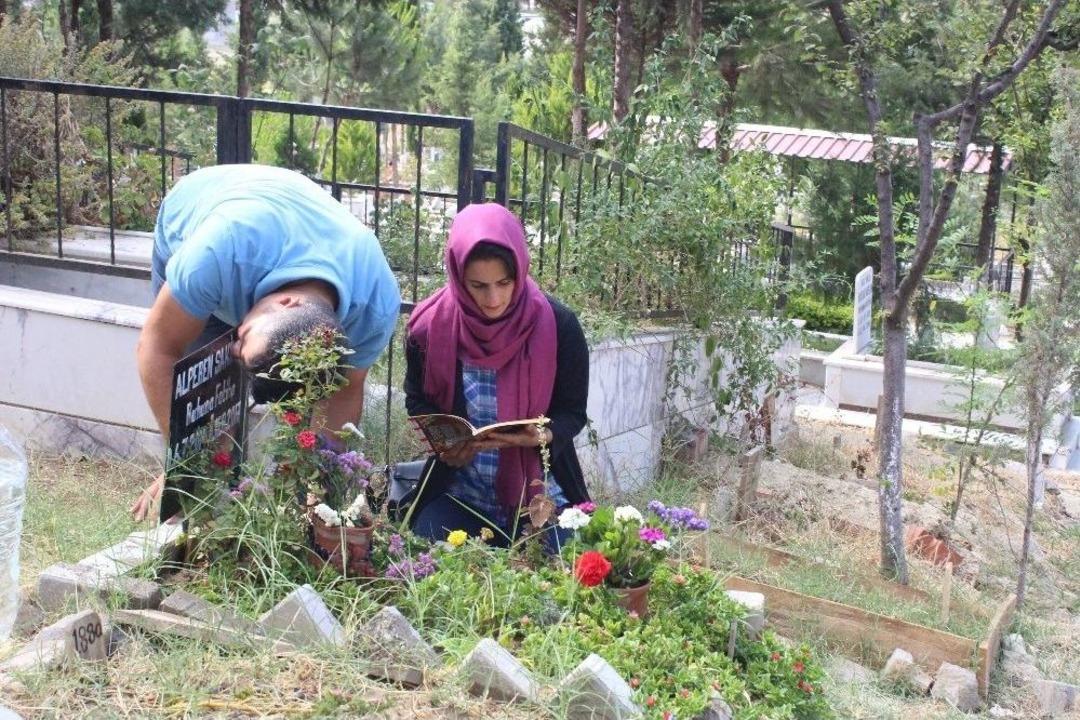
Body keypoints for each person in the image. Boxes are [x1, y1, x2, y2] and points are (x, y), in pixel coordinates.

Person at [130, 164, 400, 521]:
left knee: (237, 409)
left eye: (242, 341)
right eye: (244, 340)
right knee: (201, 396)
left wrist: (321, 499)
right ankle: (194, 497)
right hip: (205, 212)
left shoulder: (375, 306)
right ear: (286, 302)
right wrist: (185, 463)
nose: (232, 347)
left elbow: (343, 396)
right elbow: (158, 347)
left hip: (268, 248)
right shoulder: (213, 254)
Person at [404, 202, 590, 546]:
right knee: (420, 564)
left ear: (520, 270)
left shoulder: (558, 326)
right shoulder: (429, 329)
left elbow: (572, 413)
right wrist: (446, 445)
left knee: (563, 582)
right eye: (478, 286)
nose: (493, 299)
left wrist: (541, 437)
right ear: (458, 276)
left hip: (541, 498)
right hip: (461, 495)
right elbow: (416, 399)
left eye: (504, 283)